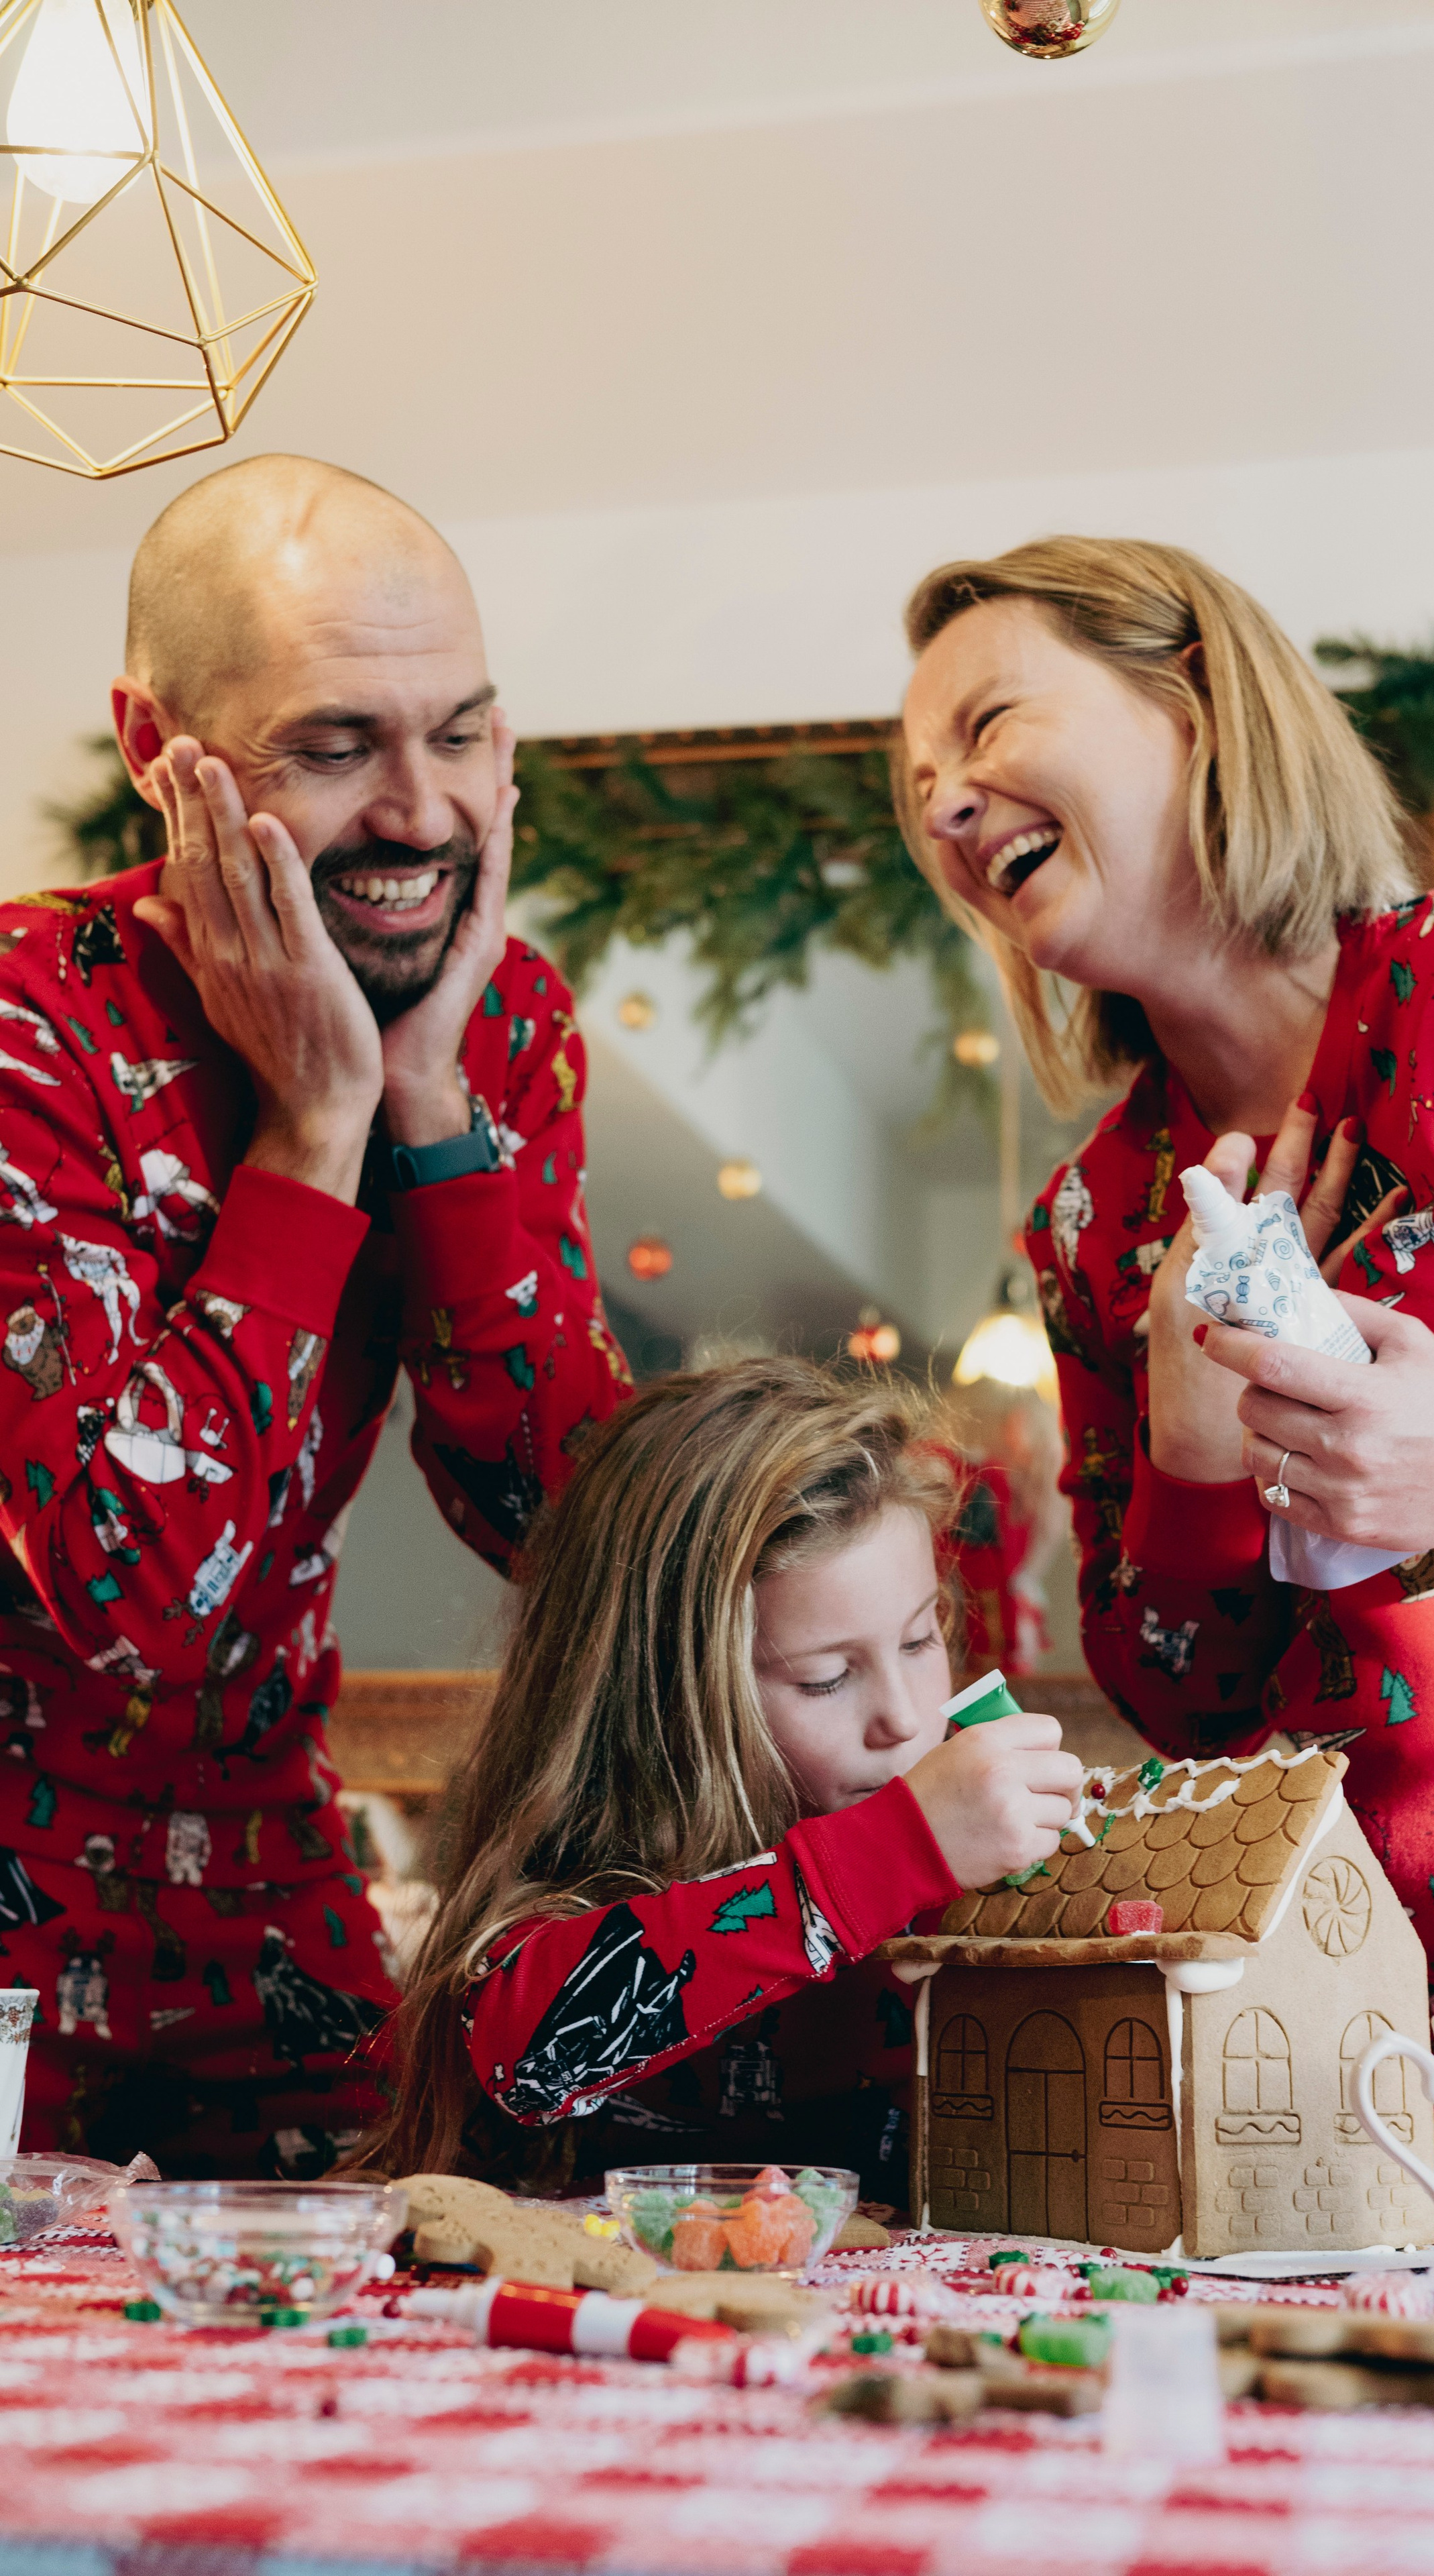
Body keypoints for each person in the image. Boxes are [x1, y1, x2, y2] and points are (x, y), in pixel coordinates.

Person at [899, 534, 1434, 2231]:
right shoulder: (1092, 1226)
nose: (948, 807)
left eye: (985, 726)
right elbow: (1192, 1716)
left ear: (1192, 700)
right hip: (1362, 2111)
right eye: (917, 792)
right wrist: (1190, 1455)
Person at [0, 454, 628, 2175]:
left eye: (461, 733)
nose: (422, 813)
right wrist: (315, 1127)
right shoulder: (27, 1026)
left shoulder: (504, 1029)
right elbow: (130, 1594)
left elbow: (570, 1532)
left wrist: (426, 1104)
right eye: (336, 746)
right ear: (157, 748)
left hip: (277, 1910)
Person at [372, 1360, 1081, 2195]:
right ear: (666, 1699)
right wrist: (897, 1852)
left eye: (920, 1639)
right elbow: (523, 2054)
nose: (903, 1717)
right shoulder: (602, 1882)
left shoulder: (974, 1867)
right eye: (824, 1678)